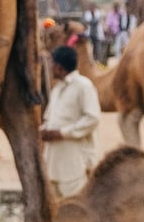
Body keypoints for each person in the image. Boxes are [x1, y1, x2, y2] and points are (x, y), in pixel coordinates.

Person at [40, 43, 101, 199]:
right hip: (54, 164)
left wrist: (63, 133)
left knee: (75, 208)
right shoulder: (57, 90)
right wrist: (43, 131)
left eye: (52, 63)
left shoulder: (83, 86)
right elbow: (50, 120)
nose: (50, 67)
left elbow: (92, 118)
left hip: (74, 166)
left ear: (59, 67)